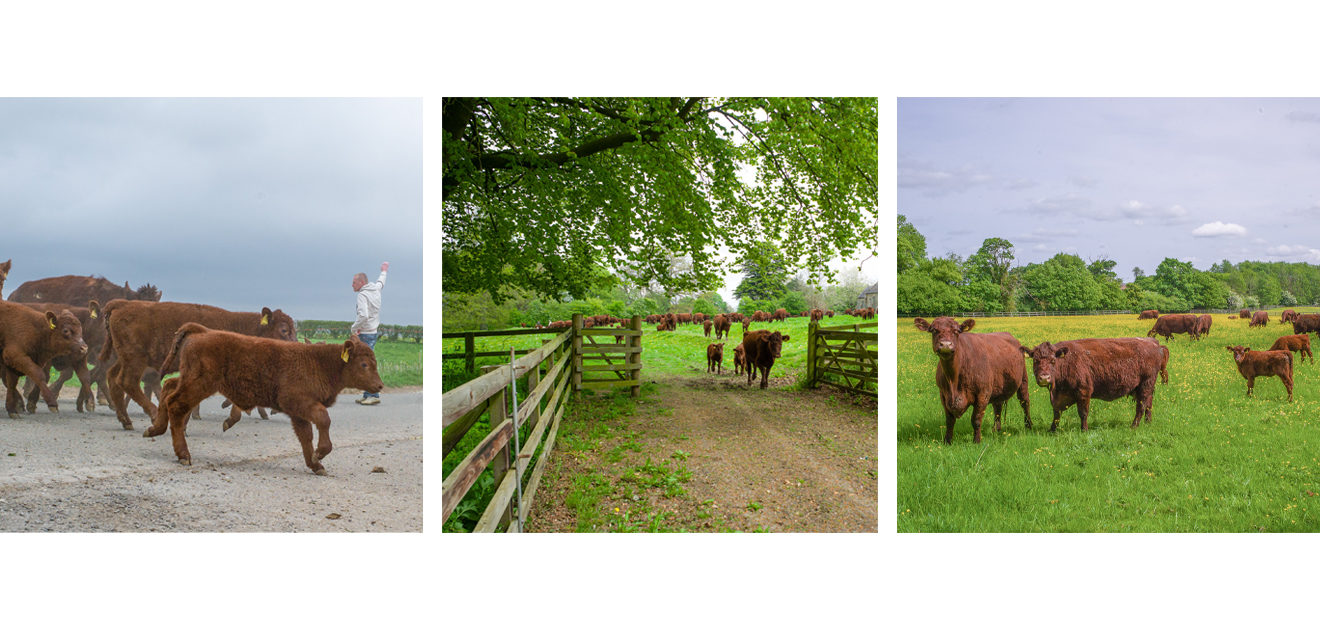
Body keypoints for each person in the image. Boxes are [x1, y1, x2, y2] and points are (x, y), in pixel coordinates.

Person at [351, 261, 389, 404]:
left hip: (365, 333)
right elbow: (381, 282)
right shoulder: (375, 289)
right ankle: (368, 394)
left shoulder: (362, 295)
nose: (352, 285)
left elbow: (363, 316)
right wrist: (384, 271)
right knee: (365, 363)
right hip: (373, 332)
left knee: (366, 364)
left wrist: (353, 329)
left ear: (361, 282)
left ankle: (373, 395)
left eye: (354, 282)